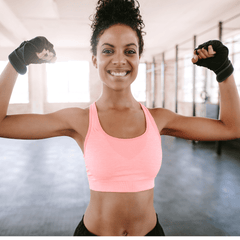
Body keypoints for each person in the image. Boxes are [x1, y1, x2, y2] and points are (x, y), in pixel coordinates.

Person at [0, 0, 240, 237]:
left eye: (129, 51)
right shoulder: (80, 120)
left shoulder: (159, 119)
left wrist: (224, 71)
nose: (119, 60)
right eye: (107, 50)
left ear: (138, 58)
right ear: (95, 59)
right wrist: (16, 61)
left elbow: (231, 128)